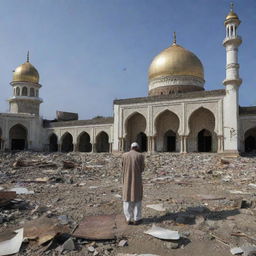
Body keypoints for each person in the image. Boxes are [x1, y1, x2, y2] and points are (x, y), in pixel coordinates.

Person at [122, 142, 145, 225]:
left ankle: (128, 219)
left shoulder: (124, 155)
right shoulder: (140, 155)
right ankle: (137, 219)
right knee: (137, 199)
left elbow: (122, 167)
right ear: (137, 147)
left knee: (127, 199)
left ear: (131, 147)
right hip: (137, 180)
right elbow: (142, 168)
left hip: (126, 180)